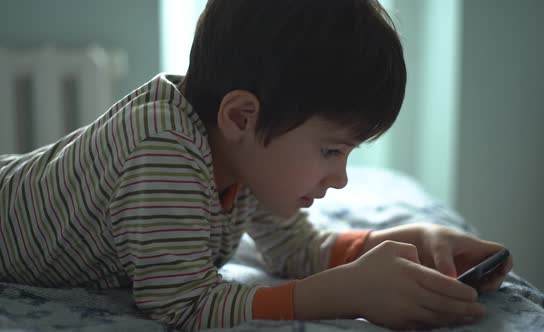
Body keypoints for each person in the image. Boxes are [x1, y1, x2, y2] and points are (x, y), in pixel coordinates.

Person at [0, 0, 512, 330]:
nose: (341, 178)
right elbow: (182, 305)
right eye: (331, 151)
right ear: (242, 116)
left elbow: (299, 249)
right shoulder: (163, 147)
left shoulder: (243, 160)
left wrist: (413, 242)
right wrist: (338, 295)